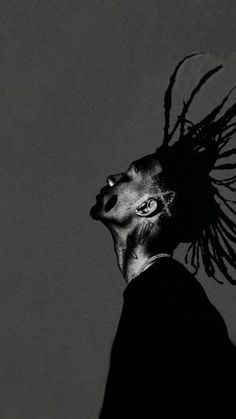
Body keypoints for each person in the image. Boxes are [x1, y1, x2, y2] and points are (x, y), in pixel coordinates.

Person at [90, 54, 236, 418]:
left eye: (130, 174)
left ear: (147, 208)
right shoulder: (162, 291)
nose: (112, 178)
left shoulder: (166, 294)